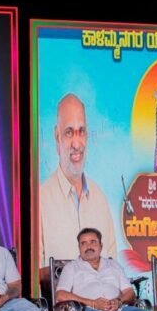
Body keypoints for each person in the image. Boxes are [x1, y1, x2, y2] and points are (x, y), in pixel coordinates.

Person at [39, 94, 117, 265]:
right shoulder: (39, 201)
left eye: (81, 131)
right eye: (69, 133)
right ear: (57, 137)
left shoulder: (100, 199)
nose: (76, 144)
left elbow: (113, 266)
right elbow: (34, 275)